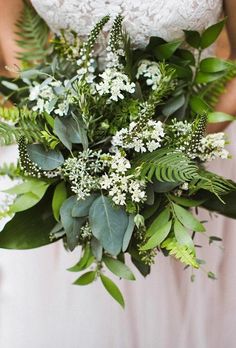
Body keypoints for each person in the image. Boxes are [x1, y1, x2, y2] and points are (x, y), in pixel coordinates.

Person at [0, 1, 236, 347]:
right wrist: (62, 133)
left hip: (201, 136)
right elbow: (15, 37)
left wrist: (179, 156)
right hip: (68, 154)